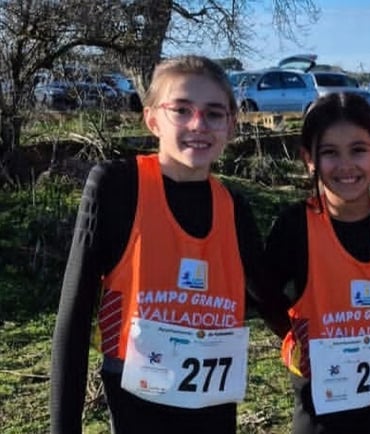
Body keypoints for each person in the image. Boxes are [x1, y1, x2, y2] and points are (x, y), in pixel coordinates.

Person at [49, 55, 262, 434]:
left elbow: (276, 297)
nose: (198, 124)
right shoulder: (117, 187)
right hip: (137, 411)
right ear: (152, 119)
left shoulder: (235, 208)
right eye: (181, 110)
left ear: (231, 125)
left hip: (213, 410)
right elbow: (74, 317)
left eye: (214, 113)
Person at [255, 92, 370, 434]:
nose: (346, 165)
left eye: (358, 150)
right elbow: (264, 294)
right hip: (320, 406)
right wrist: (292, 335)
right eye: (329, 153)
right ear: (308, 158)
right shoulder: (296, 225)